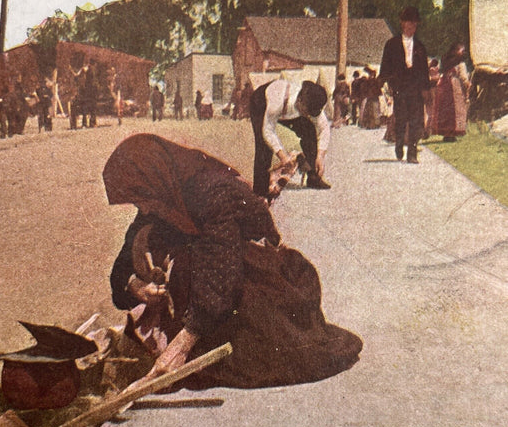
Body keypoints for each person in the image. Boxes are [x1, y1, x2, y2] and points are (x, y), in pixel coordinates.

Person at [103, 133, 362, 388]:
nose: (143, 209)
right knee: (163, 247)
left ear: (153, 181)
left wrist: (182, 346)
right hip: (220, 279)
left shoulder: (211, 191)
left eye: (140, 200)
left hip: (260, 276)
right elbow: (126, 257)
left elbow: (220, 276)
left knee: (251, 355)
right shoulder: (165, 192)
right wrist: (135, 285)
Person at [250, 79, 331, 198]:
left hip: (289, 109)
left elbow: (324, 128)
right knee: (263, 146)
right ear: (300, 101)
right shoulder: (277, 102)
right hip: (260, 103)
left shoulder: (311, 99)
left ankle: (314, 176)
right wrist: (283, 156)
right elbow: (268, 131)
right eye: (307, 112)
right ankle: (260, 191)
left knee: (309, 130)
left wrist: (320, 156)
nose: (308, 115)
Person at [379, 6, 429, 163]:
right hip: (400, 86)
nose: (411, 27)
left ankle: (412, 153)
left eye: (414, 25)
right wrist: (386, 82)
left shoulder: (420, 47)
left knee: (415, 120)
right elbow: (385, 66)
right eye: (409, 24)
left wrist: (425, 89)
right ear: (402, 23)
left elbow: (424, 70)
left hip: (415, 87)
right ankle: (399, 144)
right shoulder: (391, 44)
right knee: (401, 119)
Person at [432, 43, 471, 142]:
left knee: (445, 109)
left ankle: (446, 133)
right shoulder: (460, 63)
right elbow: (463, 76)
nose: (463, 52)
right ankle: (452, 133)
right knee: (454, 109)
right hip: (454, 87)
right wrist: (467, 84)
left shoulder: (445, 61)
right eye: (461, 50)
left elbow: (441, 71)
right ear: (455, 51)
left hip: (443, 86)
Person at [424, 58, 440, 138]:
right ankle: (428, 129)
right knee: (432, 111)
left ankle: (427, 129)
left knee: (427, 111)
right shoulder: (435, 70)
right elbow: (437, 78)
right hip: (433, 90)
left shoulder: (425, 71)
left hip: (426, 90)